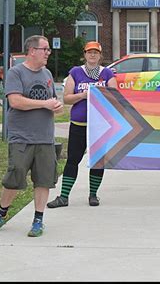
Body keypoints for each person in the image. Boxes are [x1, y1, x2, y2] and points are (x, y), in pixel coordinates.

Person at [0, 35, 63, 237]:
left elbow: (51, 100)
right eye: (45, 49)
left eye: (48, 50)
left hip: (45, 137)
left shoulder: (46, 73)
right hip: (21, 137)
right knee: (15, 176)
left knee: (44, 180)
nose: (48, 53)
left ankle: (38, 220)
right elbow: (16, 101)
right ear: (32, 51)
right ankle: (1, 213)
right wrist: (44, 104)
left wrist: (55, 106)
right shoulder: (16, 72)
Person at [47, 41, 117, 208]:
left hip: (100, 125)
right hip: (79, 123)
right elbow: (67, 98)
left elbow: (115, 98)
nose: (92, 55)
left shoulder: (107, 74)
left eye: (96, 52)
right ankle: (64, 197)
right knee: (73, 159)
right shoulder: (76, 72)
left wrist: (100, 95)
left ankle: (93, 195)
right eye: (89, 52)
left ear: (100, 55)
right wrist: (85, 95)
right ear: (84, 54)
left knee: (98, 160)